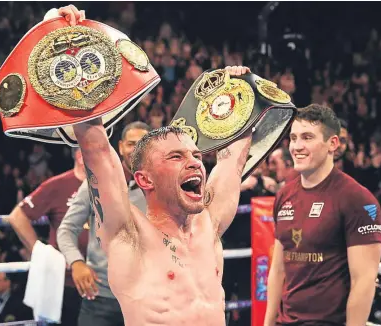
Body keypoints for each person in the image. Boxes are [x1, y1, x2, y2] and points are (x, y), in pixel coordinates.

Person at [54, 7, 253, 325]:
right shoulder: (127, 235)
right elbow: (96, 148)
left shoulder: (208, 225)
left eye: (196, 156)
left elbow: (235, 157)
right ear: (144, 179)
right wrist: (66, 42)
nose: (194, 163)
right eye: (176, 157)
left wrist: (236, 93)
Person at [264, 104, 381, 326]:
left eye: (307, 137)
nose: (297, 146)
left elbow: (364, 281)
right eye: (294, 138)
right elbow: (278, 269)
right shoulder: (284, 195)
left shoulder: (358, 199)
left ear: (333, 143)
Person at [57, 122, 151, 326]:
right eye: (131, 143)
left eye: (142, 143)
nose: (135, 149)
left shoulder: (163, 183)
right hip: (101, 297)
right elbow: (66, 230)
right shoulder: (96, 181)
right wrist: (76, 262)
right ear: (120, 146)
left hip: (150, 295)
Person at [7, 148, 88, 326]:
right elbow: (17, 216)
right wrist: (41, 252)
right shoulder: (58, 185)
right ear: (80, 156)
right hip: (67, 282)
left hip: (103, 281)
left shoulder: (108, 184)